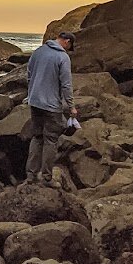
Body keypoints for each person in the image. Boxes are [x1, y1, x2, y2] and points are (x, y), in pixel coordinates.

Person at [24, 30, 77, 185]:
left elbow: (29, 74)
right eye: (69, 46)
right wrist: (71, 106)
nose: (68, 49)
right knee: (51, 140)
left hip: (34, 102)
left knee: (37, 137)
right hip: (51, 105)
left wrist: (32, 93)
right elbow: (66, 84)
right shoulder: (62, 57)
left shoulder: (38, 52)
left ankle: (31, 176)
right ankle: (47, 178)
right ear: (67, 41)